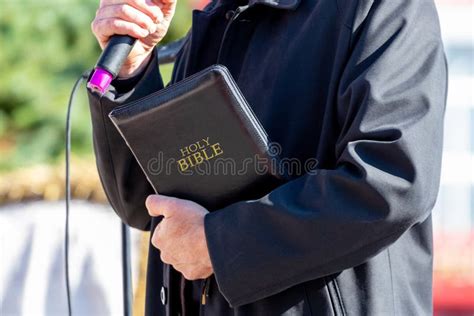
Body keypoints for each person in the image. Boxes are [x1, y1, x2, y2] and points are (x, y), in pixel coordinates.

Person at [87, 0, 447, 315]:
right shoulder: (219, 20)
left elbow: (392, 180)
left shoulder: (380, 6)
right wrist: (131, 73)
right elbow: (144, 203)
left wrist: (218, 244)